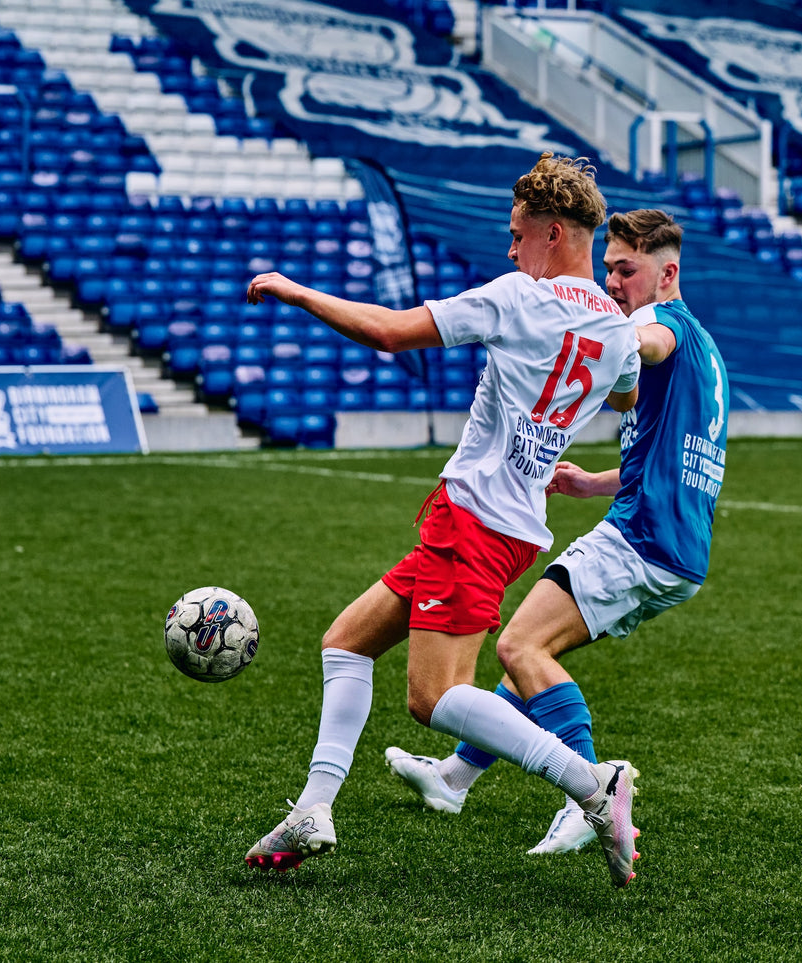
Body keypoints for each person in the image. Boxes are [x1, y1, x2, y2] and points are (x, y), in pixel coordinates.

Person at [241, 153, 646, 887]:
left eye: (517, 233)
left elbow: (393, 332)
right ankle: (313, 806)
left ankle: (590, 781)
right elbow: (622, 398)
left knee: (433, 697)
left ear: (552, 233)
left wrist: (297, 291)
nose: (510, 247)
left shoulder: (521, 296)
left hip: (475, 518)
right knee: (346, 642)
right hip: (512, 521)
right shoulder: (617, 330)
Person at [385, 208, 730, 856]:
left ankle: (591, 790)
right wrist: (592, 482)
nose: (614, 280)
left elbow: (648, 343)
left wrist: (607, 336)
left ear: (667, 273)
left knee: (519, 646)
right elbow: (665, 455)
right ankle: (454, 777)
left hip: (642, 539)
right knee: (537, 653)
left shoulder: (658, 328)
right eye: (608, 267)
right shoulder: (708, 350)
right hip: (678, 547)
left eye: (626, 270)